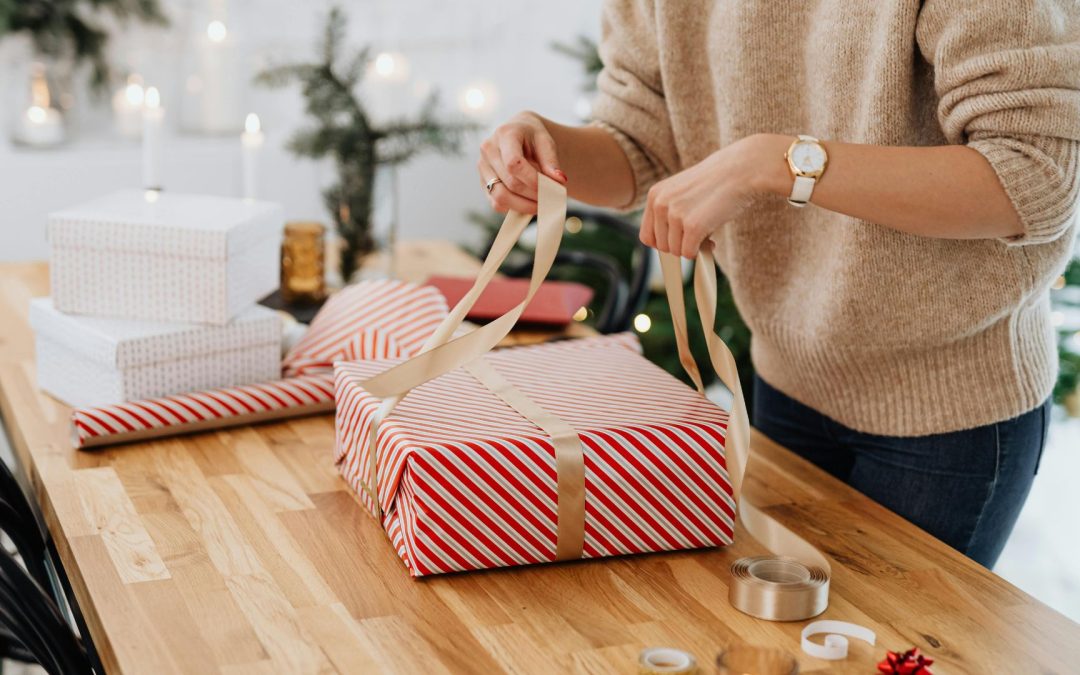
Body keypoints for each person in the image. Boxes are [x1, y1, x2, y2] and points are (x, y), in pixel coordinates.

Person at [476, 1, 1080, 568]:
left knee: (892, 651)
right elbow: (638, 142)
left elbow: (1032, 176)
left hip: (951, 417)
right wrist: (543, 152)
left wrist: (773, 164)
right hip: (784, 380)